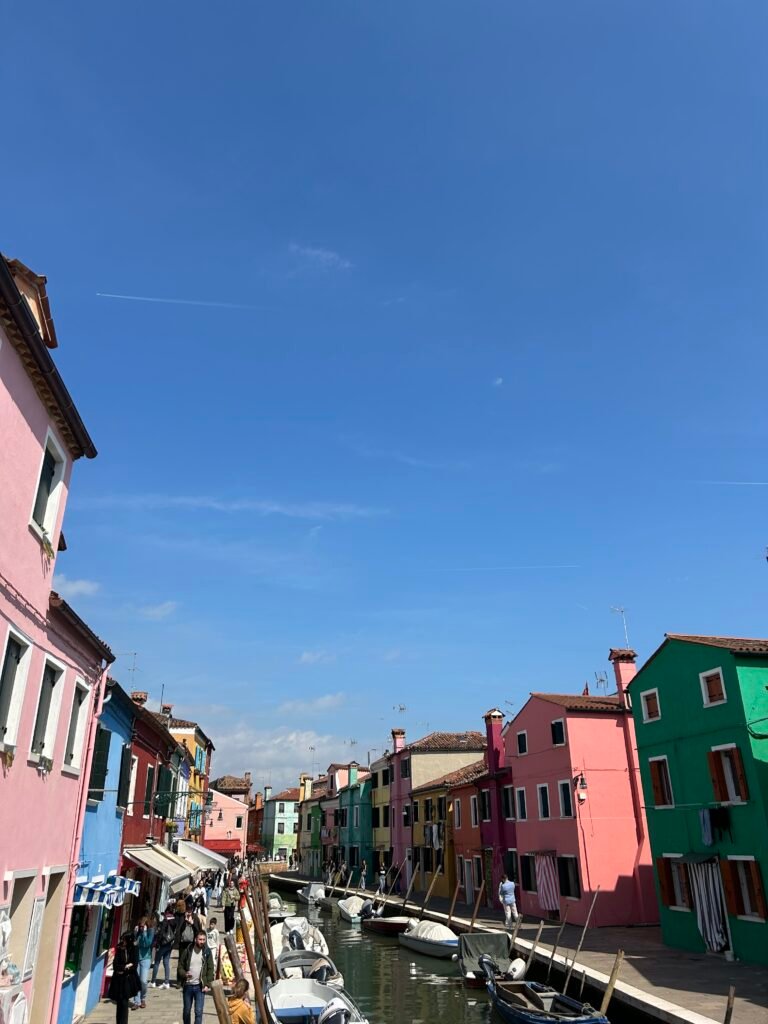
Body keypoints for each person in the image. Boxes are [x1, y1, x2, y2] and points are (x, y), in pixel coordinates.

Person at [177, 930, 214, 1024]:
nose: (202, 941)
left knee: (198, 1012)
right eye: (200, 939)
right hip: (188, 986)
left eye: (203, 940)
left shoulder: (207, 952)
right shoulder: (188, 950)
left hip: (200, 987)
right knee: (186, 1011)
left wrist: (208, 984)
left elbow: (210, 969)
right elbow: (180, 966)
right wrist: (184, 974)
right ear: (195, 939)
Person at [108, 931, 140, 1024]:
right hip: (118, 980)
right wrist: (125, 966)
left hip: (128, 980)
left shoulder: (134, 949)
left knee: (124, 1002)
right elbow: (115, 965)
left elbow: (134, 965)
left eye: (124, 940)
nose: (123, 942)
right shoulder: (120, 947)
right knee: (119, 1003)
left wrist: (124, 969)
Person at [150, 909, 176, 989]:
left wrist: (157, 944)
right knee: (166, 962)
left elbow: (160, 935)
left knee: (157, 962)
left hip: (162, 945)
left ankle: (153, 981)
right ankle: (166, 982)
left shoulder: (164, 923)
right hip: (169, 945)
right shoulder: (174, 923)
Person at [133, 916, 154, 1009]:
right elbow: (134, 943)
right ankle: (136, 1001)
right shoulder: (138, 932)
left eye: (142, 926)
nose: (141, 928)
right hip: (137, 958)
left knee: (143, 981)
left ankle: (143, 998)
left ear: (146, 926)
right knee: (136, 980)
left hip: (146, 958)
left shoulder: (150, 931)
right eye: (140, 926)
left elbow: (147, 944)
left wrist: (145, 933)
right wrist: (135, 933)